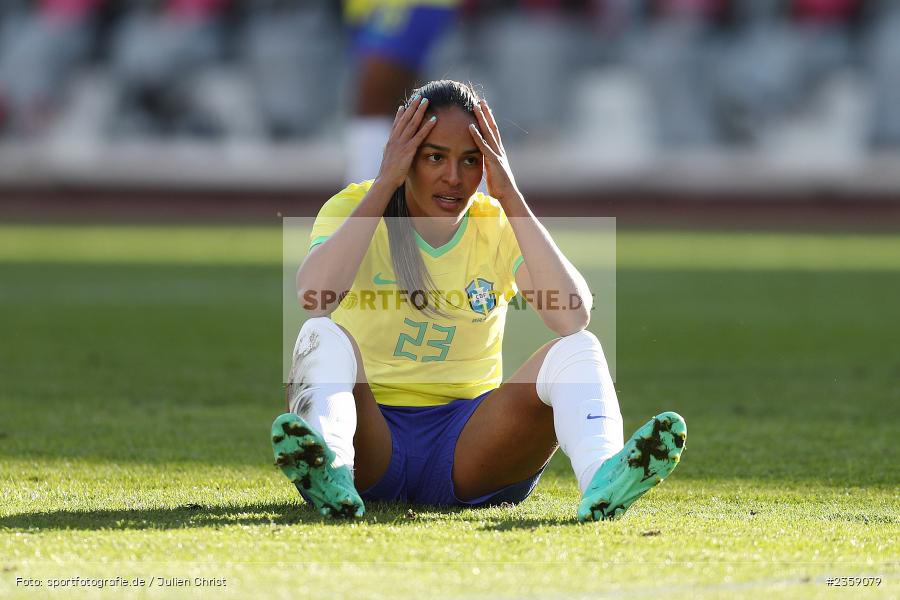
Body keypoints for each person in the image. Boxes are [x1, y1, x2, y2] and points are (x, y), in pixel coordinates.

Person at [272, 80, 686, 521]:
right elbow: (314, 297)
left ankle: (603, 476)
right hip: (368, 438)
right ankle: (330, 469)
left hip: (469, 448)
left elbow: (572, 316)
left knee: (580, 347)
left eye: (471, 161)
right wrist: (384, 182)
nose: (454, 177)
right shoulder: (354, 205)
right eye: (435, 157)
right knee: (319, 334)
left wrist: (510, 197)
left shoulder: (496, 221)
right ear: (404, 154)